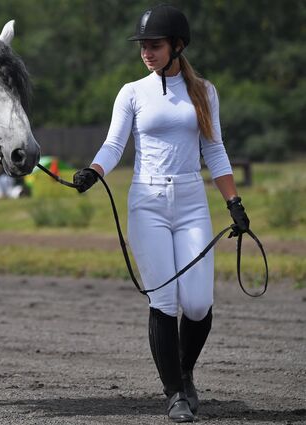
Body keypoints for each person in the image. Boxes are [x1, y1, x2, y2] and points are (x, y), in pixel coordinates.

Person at [73, 4, 250, 423]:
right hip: (147, 203)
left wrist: (234, 203)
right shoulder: (132, 92)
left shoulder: (204, 92)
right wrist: (94, 171)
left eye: (155, 45)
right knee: (165, 300)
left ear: (177, 46)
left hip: (192, 202)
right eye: (143, 47)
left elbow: (215, 150)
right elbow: (115, 145)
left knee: (199, 303)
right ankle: (175, 393)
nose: (146, 53)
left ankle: (184, 371)